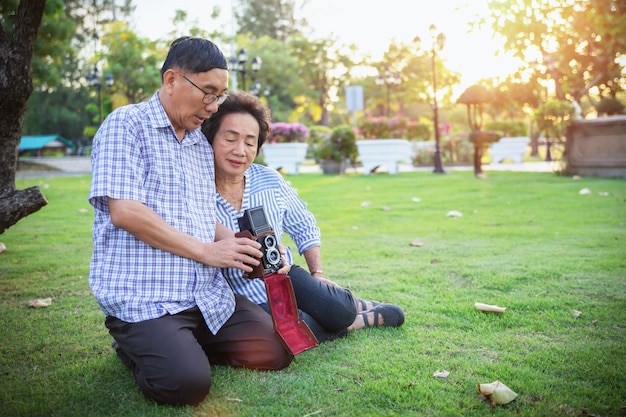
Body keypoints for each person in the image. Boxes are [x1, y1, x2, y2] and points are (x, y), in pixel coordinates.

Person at [88, 37, 292, 407]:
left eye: (220, 95)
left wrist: (241, 245)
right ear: (171, 80)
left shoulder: (199, 142)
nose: (213, 106)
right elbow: (125, 211)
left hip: (205, 295)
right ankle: (136, 345)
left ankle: (180, 347)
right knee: (186, 385)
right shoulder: (126, 125)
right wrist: (206, 251)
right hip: (147, 298)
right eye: (208, 93)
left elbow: (200, 213)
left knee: (276, 350)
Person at [201, 91, 405, 344]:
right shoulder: (196, 191)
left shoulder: (270, 180)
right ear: (210, 138)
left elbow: (304, 225)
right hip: (243, 301)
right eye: (230, 139)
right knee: (283, 331)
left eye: (250, 142)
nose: (240, 151)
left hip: (287, 279)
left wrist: (317, 274)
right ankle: (359, 319)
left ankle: (348, 308)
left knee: (335, 308)